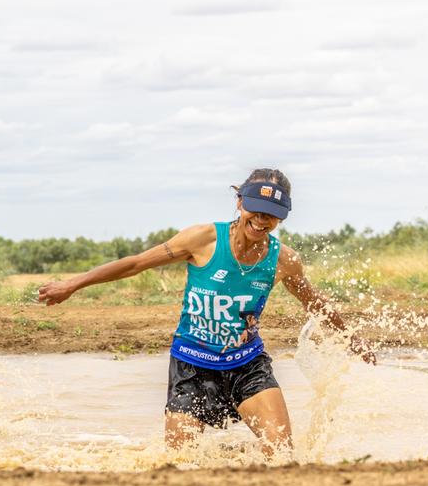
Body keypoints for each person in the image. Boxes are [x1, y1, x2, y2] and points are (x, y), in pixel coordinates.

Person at [37, 169, 375, 456]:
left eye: (270, 215)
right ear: (240, 202)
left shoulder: (284, 259)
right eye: (254, 209)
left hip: (247, 365)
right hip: (192, 365)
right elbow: (136, 264)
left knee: (284, 457)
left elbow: (313, 301)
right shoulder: (203, 240)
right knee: (180, 464)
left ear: (282, 216)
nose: (260, 221)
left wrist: (350, 338)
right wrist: (73, 284)